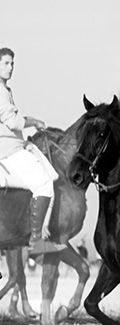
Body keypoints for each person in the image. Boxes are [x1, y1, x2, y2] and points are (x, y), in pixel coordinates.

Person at [0, 47, 66, 256]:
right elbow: (13, 122)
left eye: (12, 63)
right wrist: (34, 121)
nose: (11, 68)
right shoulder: (0, 91)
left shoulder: (6, 90)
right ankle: (36, 240)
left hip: (13, 147)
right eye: (6, 63)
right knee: (44, 183)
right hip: (9, 151)